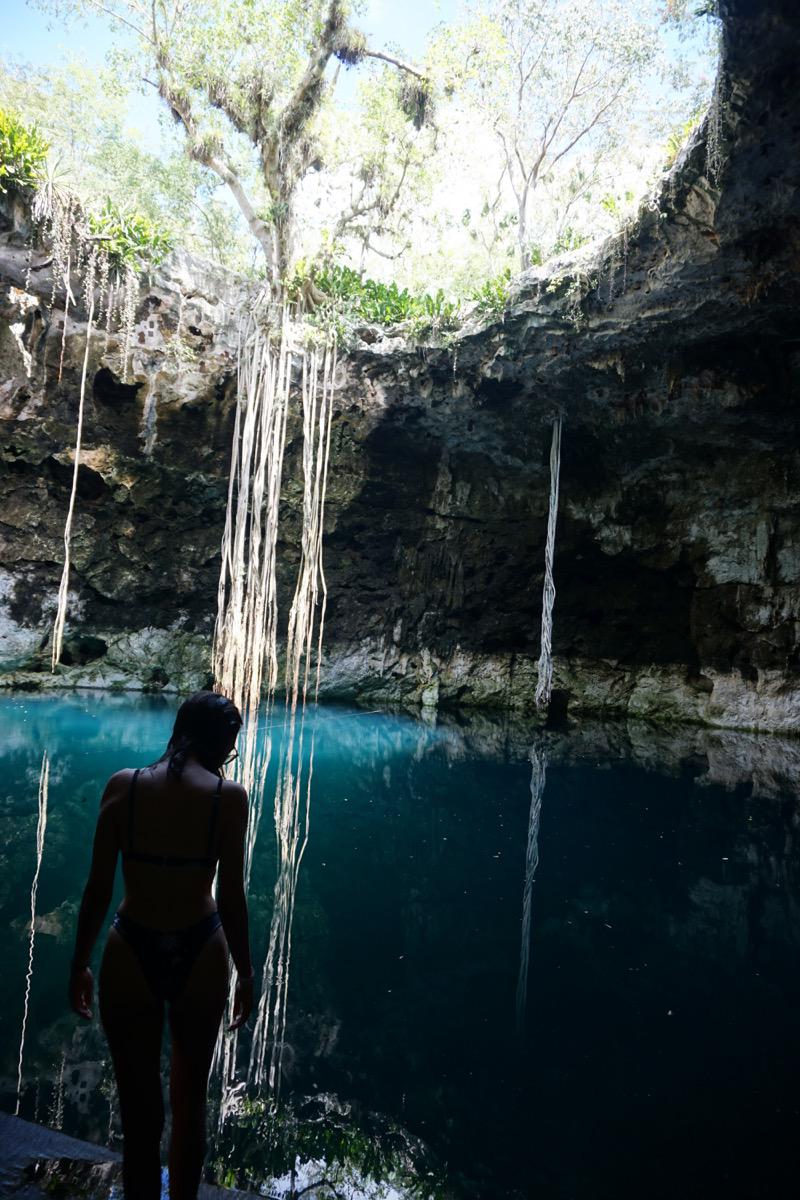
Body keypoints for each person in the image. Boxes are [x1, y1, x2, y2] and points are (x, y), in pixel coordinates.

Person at [68, 691, 255, 1200]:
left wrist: (79, 963)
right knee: (190, 1101)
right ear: (220, 743)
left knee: (138, 1105)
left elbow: (98, 888)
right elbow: (233, 898)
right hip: (202, 947)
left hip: (131, 945)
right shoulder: (227, 797)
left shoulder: (123, 787)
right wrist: (247, 973)